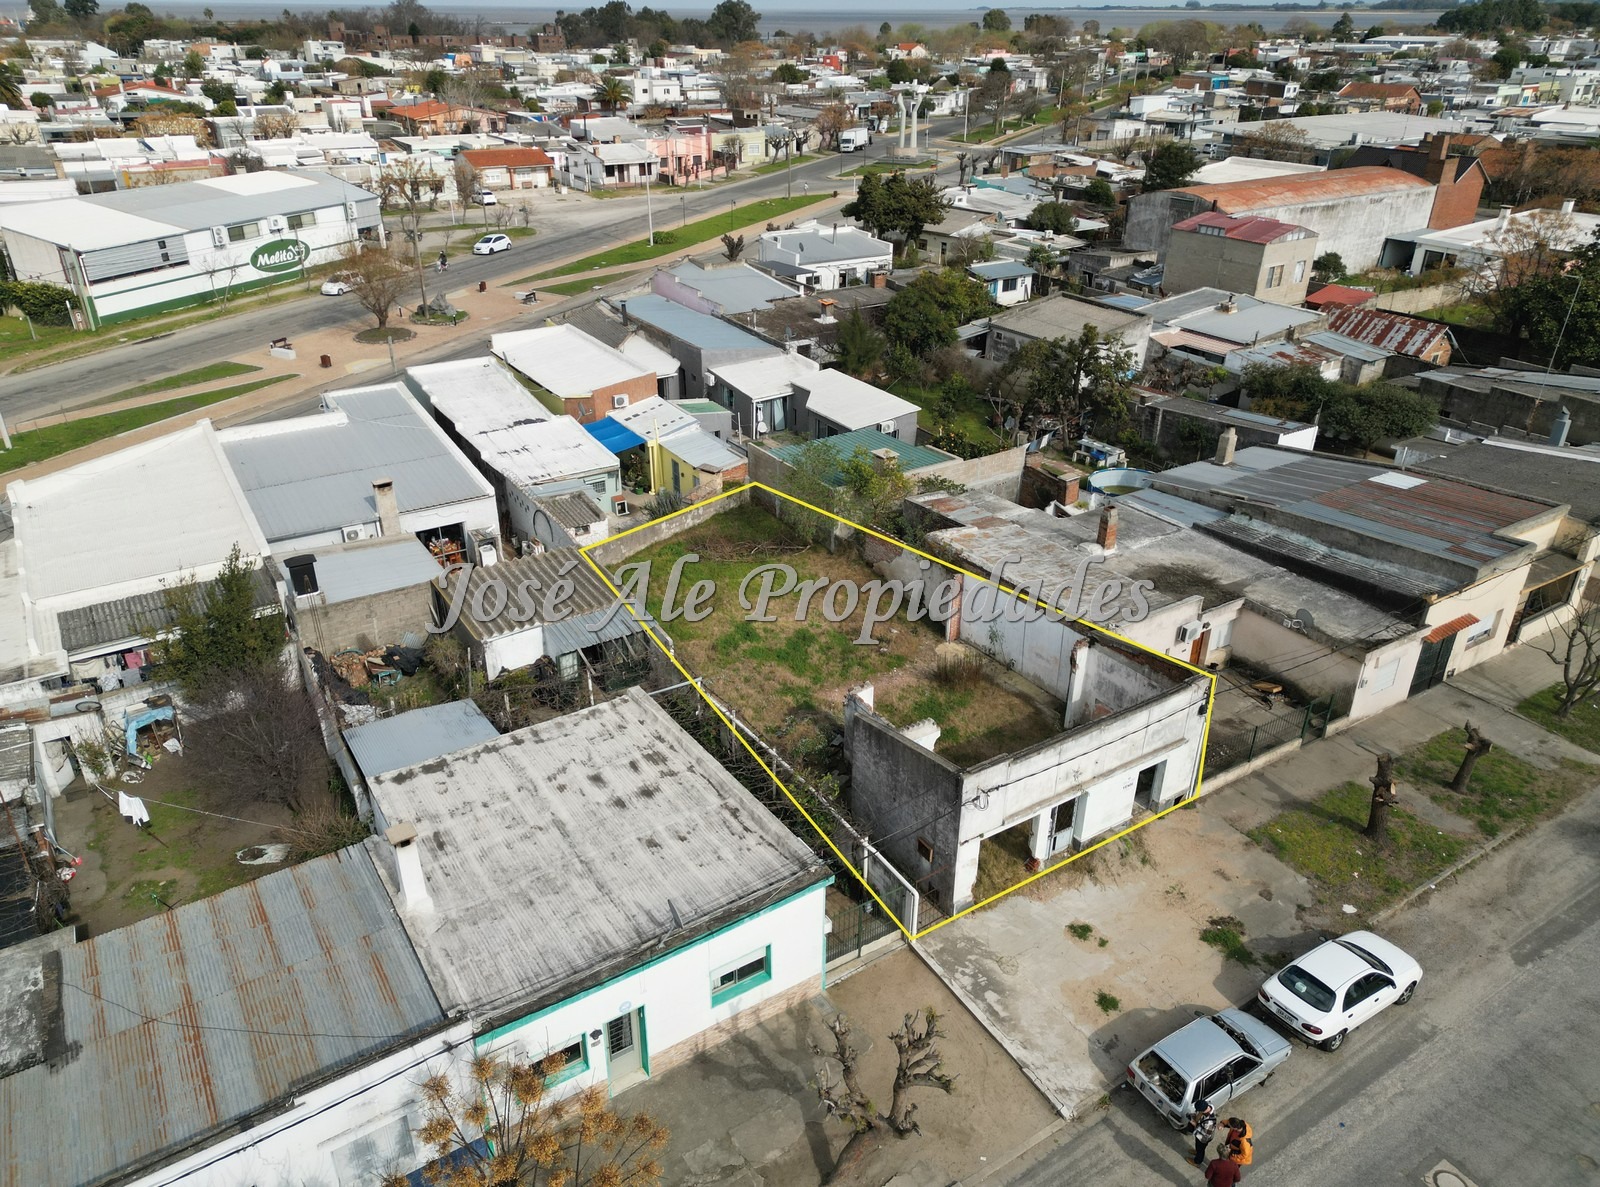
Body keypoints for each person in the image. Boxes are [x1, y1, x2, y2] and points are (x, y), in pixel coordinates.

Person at [1188, 1099, 1218, 1167]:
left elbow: (1207, 1134)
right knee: (1198, 1146)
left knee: (1201, 1149)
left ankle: (1197, 1162)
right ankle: (1197, 1151)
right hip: (1200, 1135)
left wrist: (1195, 1124)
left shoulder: (1209, 1122)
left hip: (1203, 1138)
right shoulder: (1208, 1105)